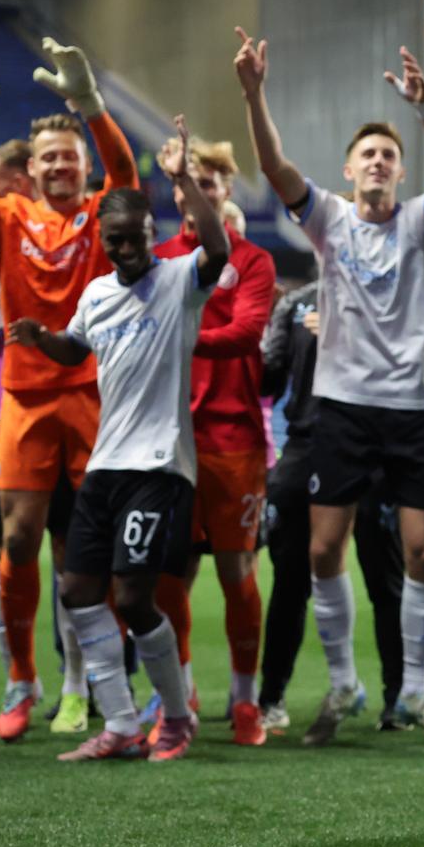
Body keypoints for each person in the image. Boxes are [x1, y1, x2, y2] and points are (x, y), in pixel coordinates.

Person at [238, 31, 424, 744]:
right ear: (348, 170)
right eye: (368, 154)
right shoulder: (329, 221)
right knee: (320, 552)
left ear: (401, 174)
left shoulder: (418, 225)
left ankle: (417, 693)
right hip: (341, 409)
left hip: (412, 410)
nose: (378, 161)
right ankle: (343, 684)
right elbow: (275, 168)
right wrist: (253, 93)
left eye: (389, 157)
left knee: (423, 553)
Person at [0, 44, 139, 741]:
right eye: (48, 156)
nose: (59, 165)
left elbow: (130, 174)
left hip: (93, 396)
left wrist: (93, 110)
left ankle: (94, 686)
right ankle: (22, 679)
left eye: (69, 155)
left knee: (93, 550)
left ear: (82, 163)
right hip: (25, 398)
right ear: (32, 167)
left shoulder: (105, 217)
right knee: (17, 539)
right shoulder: (7, 217)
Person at [10, 120, 228, 762]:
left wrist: (183, 179)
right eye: (115, 241)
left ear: (151, 236)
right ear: (102, 240)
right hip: (104, 467)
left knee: (133, 596)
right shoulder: (97, 294)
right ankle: (122, 724)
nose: (125, 250)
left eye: (135, 239)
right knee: (78, 591)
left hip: (160, 467)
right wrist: (37, 336)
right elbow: (73, 345)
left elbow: (217, 250)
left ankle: (179, 720)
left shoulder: (179, 281)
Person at [150, 136, 276, 746]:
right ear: (176, 193)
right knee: (169, 578)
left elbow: (247, 332)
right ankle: (183, 693)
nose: (197, 192)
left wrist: (173, 335)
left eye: (210, 183)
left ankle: (245, 701)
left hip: (233, 438)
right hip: (168, 439)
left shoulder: (253, 260)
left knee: (237, 571)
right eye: (186, 183)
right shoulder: (155, 258)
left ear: (226, 191)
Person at [257, 277, 408, 734]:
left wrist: (350, 336)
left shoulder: (388, 299)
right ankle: (271, 697)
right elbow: (268, 378)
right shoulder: (295, 304)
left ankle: (397, 700)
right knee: (289, 579)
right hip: (306, 446)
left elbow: (406, 366)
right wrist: (258, 333)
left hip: (371, 447)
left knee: (385, 578)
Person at [0, 139, 83, 732]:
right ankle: (21, 677)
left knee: (73, 551)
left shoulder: (65, 232)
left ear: (22, 177)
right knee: (12, 547)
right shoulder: (0, 238)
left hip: (68, 402)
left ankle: (77, 681)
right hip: (5, 413)